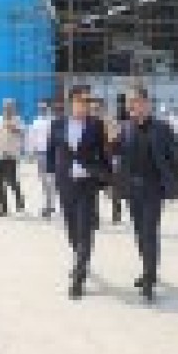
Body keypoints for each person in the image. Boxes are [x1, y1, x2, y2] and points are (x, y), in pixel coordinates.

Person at [110, 87, 178, 302]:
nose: (132, 105)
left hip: (153, 189)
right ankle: (148, 268)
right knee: (140, 233)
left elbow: (173, 158)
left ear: (146, 103)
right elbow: (115, 154)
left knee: (149, 232)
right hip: (132, 190)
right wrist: (111, 141)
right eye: (129, 102)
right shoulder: (125, 128)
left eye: (136, 101)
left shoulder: (162, 128)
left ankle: (149, 278)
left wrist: (175, 184)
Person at [46, 87, 111, 299]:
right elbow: (51, 152)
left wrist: (107, 180)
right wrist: (51, 175)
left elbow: (104, 155)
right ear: (71, 102)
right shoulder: (57, 124)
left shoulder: (96, 125)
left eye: (87, 101)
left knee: (85, 230)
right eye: (81, 101)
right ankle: (80, 258)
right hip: (65, 184)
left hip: (87, 184)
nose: (85, 105)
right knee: (72, 229)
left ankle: (79, 277)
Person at [0, 98, 26, 217]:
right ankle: (3, 208)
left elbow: (22, 133)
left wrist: (12, 128)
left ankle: (19, 201)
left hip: (11, 155)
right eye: (6, 107)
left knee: (11, 180)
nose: (8, 109)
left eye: (10, 107)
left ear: (14, 108)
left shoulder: (18, 120)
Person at [91, 96, 124, 224]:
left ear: (102, 108)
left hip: (108, 159)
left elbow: (116, 140)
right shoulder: (88, 122)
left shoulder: (110, 121)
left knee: (111, 188)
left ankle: (116, 212)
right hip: (93, 160)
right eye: (93, 108)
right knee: (92, 189)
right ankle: (94, 217)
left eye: (97, 108)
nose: (95, 110)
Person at [28, 99, 57, 219]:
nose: (42, 110)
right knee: (44, 181)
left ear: (49, 108)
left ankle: (52, 205)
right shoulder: (36, 122)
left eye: (44, 108)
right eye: (40, 108)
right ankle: (48, 205)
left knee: (53, 181)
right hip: (40, 154)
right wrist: (31, 152)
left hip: (52, 154)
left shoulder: (53, 121)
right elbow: (32, 138)